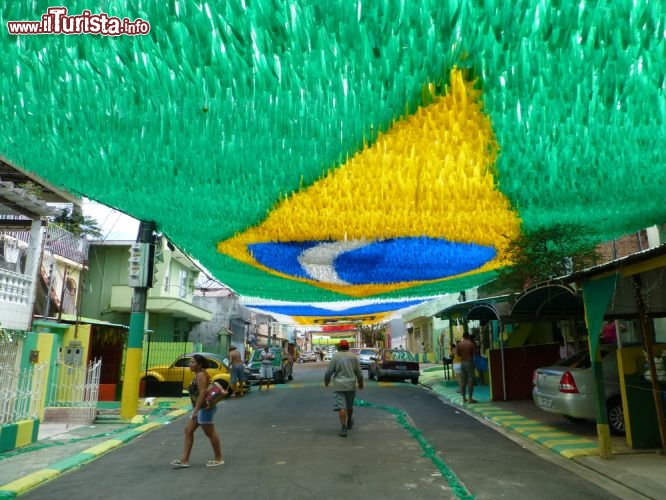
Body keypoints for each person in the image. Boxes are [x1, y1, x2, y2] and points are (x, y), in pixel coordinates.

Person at [170, 354, 224, 468]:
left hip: (204, 408)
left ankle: (219, 458)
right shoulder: (198, 374)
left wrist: (196, 410)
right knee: (188, 430)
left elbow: (203, 393)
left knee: (210, 433)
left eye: (193, 362)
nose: (190, 364)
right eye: (190, 362)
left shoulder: (200, 375)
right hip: (200, 408)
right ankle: (184, 460)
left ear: (199, 365)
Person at [324, 339, 364, 437]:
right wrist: (360, 383)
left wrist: (327, 380)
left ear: (339, 347)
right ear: (348, 347)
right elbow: (359, 372)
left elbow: (329, 371)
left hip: (339, 385)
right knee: (350, 406)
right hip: (351, 385)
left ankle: (343, 428)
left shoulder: (335, 357)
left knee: (342, 407)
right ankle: (349, 420)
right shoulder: (354, 357)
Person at [456, 332, 477, 403]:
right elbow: (474, 354)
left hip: (462, 363)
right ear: (468, 336)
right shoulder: (471, 344)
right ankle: (470, 398)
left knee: (463, 380)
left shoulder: (459, 344)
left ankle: (464, 398)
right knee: (470, 380)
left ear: (463, 336)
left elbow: (458, 354)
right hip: (469, 362)